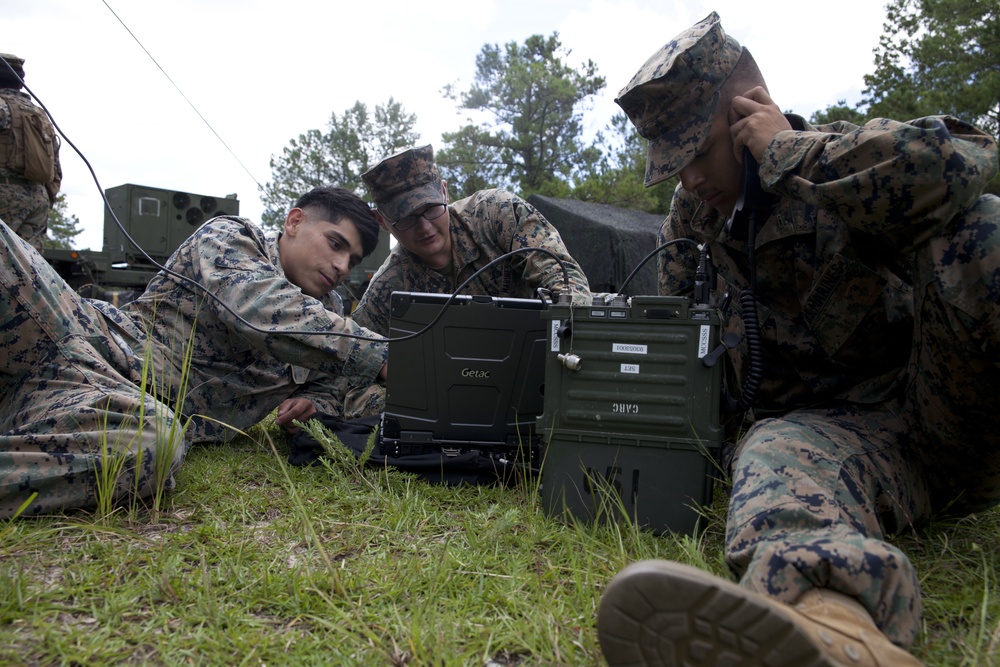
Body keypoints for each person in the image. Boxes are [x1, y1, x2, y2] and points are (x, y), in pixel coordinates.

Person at [596, 12, 999, 667]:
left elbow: (964, 165)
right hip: (836, 445)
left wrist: (795, 156)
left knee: (982, 230)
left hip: (948, 417)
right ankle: (833, 630)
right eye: (674, 165)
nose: (689, 178)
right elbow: (665, 328)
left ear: (748, 113)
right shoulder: (696, 216)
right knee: (771, 446)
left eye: (698, 153)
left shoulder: (838, 162)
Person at [0, 185, 388, 518]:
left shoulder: (331, 313)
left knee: (156, 445)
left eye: (352, 261)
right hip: (86, 342)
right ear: (294, 222)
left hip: (105, 407)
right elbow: (260, 310)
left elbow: (327, 386)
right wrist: (384, 356)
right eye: (335, 244)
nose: (341, 266)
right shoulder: (230, 238)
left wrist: (312, 404)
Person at [352, 144, 591, 336]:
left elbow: (562, 276)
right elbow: (354, 377)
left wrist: (571, 323)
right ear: (382, 221)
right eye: (406, 218)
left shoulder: (496, 214)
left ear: (444, 192)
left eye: (432, 208)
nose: (424, 227)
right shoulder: (386, 291)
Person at [0, 53, 62, 252]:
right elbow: (55, 170)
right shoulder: (40, 114)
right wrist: (44, 199)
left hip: (5, 194)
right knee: (30, 269)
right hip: (37, 200)